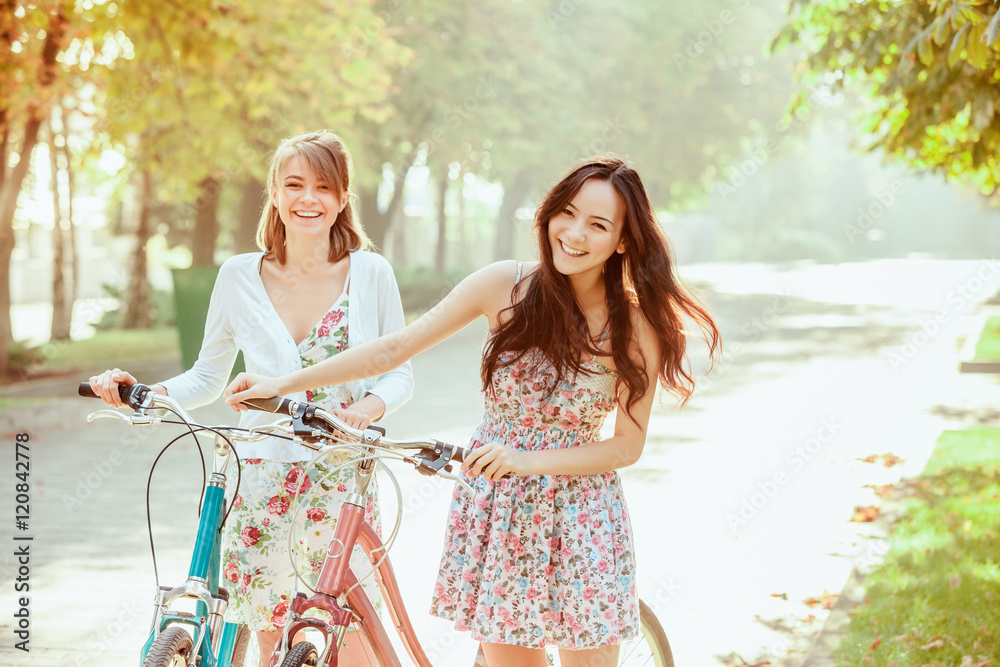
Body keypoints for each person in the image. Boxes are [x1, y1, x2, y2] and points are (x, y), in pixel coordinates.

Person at [223, 155, 720, 667]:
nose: (573, 233)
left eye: (597, 225)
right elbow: (396, 348)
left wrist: (526, 461)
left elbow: (625, 446)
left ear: (622, 240)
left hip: (582, 516)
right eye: (566, 214)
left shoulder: (634, 329)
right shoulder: (504, 285)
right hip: (498, 509)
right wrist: (284, 383)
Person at [88, 130, 414, 666]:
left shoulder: (371, 273)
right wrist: (143, 393)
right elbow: (208, 376)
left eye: (324, 187)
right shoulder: (238, 275)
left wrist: (362, 413)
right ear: (276, 194)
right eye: (295, 184)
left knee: (347, 635)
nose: (308, 198)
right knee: (272, 636)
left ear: (342, 198)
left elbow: (399, 376)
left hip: (342, 479)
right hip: (260, 476)